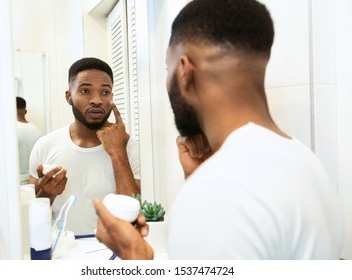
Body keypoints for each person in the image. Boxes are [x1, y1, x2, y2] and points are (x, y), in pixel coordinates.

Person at [93, 0, 345, 259]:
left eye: (168, 69)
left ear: (184, 71)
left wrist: (135, 257)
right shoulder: (308, 164)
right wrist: (199, 177)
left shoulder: (216, 193)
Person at [28, 58, 140, 235]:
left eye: (105, 92)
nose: (96, 100)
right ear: (68, 96)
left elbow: (135, 214)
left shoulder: (130, 148)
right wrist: (48, 193)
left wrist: (118, 153)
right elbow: (30, 212)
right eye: (85, 90)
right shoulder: (45, 145)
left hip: (115, 251)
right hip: (62, 251)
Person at [16, 96, 42, 185]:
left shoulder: (10, 131)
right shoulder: (37, 131)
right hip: (33, 182)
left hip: (16, 182)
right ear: (25, 111)